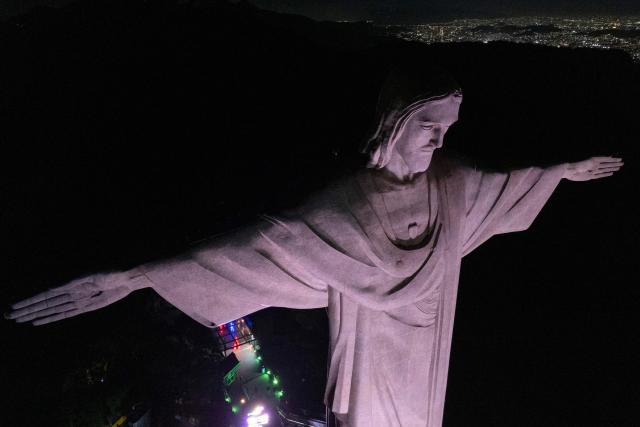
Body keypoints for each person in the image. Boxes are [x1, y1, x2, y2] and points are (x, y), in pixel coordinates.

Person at [5, 66, 623, 426]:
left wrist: (560, 171)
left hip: (428, 347)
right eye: (428, 127)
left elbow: (505, 187)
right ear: (397, 125)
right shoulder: (347, 203)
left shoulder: (455, 185)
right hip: (371, 348)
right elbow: (263, 245)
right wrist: (138, 276)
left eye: (447, 129)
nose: (438, 140)